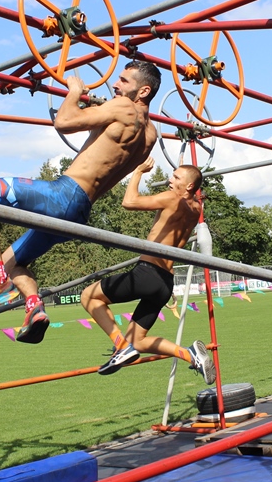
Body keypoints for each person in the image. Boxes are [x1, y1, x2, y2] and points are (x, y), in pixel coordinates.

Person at [0, 61, 161, 344]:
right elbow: (108, 156)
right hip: (79, 212)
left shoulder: (123, 108)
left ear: (143, 90)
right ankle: (34, 308)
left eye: (123, 81)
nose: (115, 85)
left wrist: (74, 92)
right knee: (12, 263)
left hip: (63, 194)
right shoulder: (150, 135)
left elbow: (63, 121)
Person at [80, 157, 215, 384]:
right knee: (138, 341)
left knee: (88, 296)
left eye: (176, 177)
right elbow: (170, 216)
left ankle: (120, 347)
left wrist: (138, 171)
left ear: (189, 186)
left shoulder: (173, 198)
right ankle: (190, 354)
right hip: (164, 282)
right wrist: (182, 175)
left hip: (148, 273)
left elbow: (129, 202)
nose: (169, 180)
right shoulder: (195, 208)